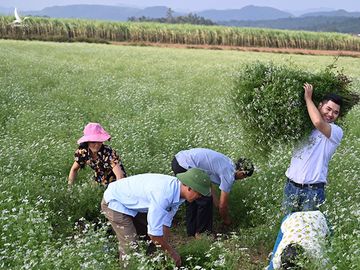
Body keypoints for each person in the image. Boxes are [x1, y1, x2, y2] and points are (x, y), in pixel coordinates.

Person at [101, 168, 211, 267]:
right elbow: (154, 234)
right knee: (130, 245)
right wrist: (171, 252)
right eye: (199, 193)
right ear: (189, 187)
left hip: (132, 203)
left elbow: (165, 222)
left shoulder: (179, 194)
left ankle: (151, 263)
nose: (199, 197)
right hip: (115, 201)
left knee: (151, 237)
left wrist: (165, 250)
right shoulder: (164, 194)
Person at [282, 83, 343, 214]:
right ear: (320, 105)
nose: (331, 114)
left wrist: (308, 98)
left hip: (313, 191)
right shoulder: (304, 126)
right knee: (287, 226)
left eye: (335, 112)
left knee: (309, 231)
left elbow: (318, 122)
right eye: (328, 109)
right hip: (291, 186)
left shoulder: (336, 132)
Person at [171, 148, 254, 237]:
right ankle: (203, 234)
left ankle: (191, 233)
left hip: (179, 160)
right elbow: (223, 206)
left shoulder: (229, 163)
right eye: (243, 178)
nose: (241, 179)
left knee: (192, 198)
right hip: (184, 164)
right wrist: (227, 221)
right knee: (204, 199)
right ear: (242, 173)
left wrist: (216, 203)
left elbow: (207, 183)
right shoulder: (229, 174)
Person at [68, 122, 127, 187]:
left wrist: (117, 193)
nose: (97, 145)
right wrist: (70, 188)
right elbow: (74, 169)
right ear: (87, 142)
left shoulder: (108, 153)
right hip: (100, 179)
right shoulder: (83, 152)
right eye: (93, 142)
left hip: (116, 182)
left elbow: (120, 176)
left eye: (99, 141)